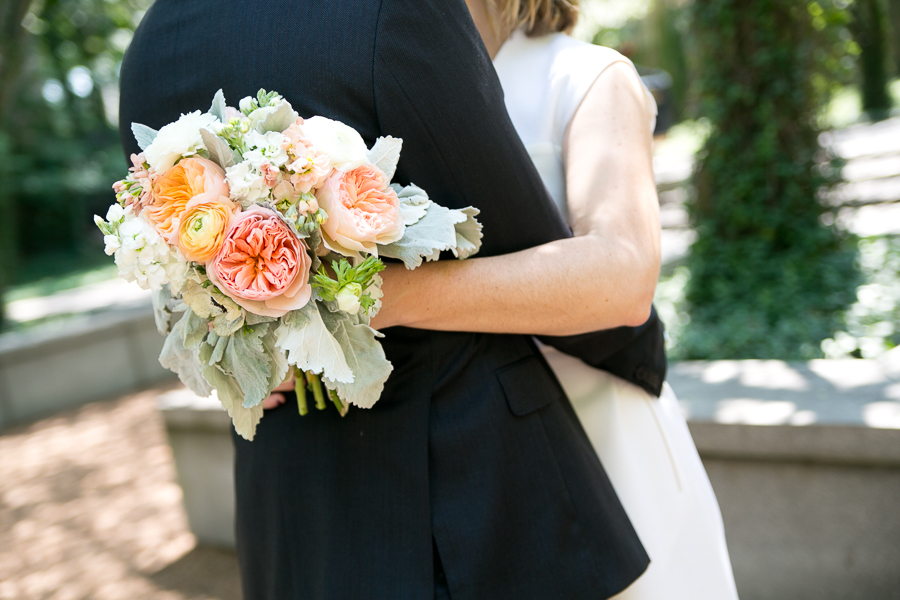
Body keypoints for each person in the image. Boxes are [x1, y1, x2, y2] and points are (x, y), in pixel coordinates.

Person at [119, 0, 667, 597]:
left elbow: (166, 262)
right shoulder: (392, 14)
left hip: (308, 505)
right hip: (440, 490)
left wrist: (283, 314)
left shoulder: (152, 43)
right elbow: (165, 257)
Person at [421, 0, 737, 598]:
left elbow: (623, 279)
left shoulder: (585, 76)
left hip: (603, 441)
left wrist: (380, 299)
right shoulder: (389, 90)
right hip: (465, 472)